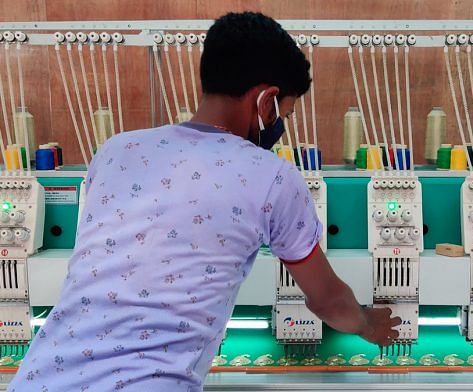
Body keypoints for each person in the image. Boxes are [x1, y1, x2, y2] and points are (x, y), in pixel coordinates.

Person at [9, 11, 400, 391]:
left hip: (38, 378)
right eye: (286, 114)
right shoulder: (273, 176)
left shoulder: (114, 152)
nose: (282, 126)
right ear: (266, 101)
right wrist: (368, 324)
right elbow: (329, 302)